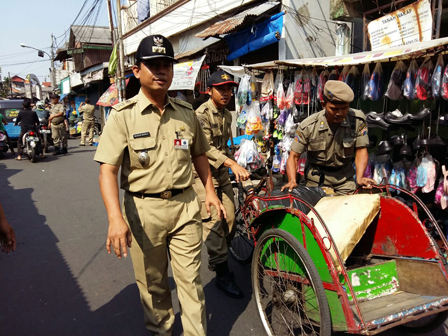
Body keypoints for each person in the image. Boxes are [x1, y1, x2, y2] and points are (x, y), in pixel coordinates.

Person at [94, 34, 225, 336]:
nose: (161, 71)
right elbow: (107, 171)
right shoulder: (122, 116)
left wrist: (210, 193)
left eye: (166, 64)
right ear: (137, 71)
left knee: (191, 282)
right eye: (153, 65)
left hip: (184, 208)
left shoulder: (186, 113)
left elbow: (200, 156)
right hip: (143, 211)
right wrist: (115, 219)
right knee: (153, 288)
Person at [192, 70, 249, 299]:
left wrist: (239, 161)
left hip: (223, 174)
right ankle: (222, 272)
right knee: (215, 221)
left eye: (229, 89)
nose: (226, 93)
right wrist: (231, 163)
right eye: (221, 89)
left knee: (231, 220)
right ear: (210, 90)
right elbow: (204, 148)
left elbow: (225, 144)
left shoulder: (226, 114)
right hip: (204, 175)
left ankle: (220, 255)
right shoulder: (201, 115)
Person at [282, 80, 376, 195]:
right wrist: (292, 180)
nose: (340, 113)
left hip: (344, 179)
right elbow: (293, 156)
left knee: (349, 209)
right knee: (315, 211)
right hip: (316, 180)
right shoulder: (308, 126)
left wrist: (360, 177)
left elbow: (361, 150)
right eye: (334, 109)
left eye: (344, 108)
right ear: (323, 104)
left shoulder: (357, 120)